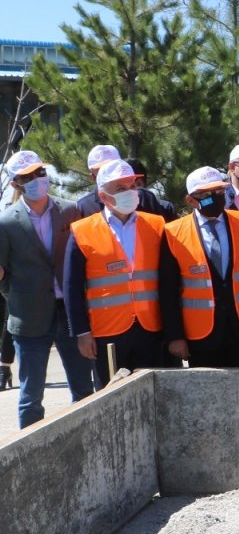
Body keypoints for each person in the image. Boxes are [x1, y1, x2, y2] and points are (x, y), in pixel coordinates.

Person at [0, 151, 95, 428]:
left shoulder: (70, 210)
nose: (37, 180)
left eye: (39, 172)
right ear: (16, 184)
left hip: (71, 313)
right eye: (27, 177)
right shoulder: (6, 222)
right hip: (29, 318)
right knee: (30, 397)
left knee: (84, 391)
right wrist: (18, 295)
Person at [159, 167, 239, 368]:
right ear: (190, 200)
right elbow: (168, 291)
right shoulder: (172, 233)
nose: (214, 198)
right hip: (201, 335)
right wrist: (175, 336)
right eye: (206, 195)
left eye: (219, 192)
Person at [65, 159, 167, 386]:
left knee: (153, 397)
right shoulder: (82, 231)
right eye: (120, 189)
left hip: (150, 328)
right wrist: (82, 333)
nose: (129, 193)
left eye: (132, 186)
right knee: (110, 402)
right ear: (103, 196)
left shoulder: (157, 225)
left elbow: (168, 280)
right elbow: (72, 287)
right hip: (107, 333)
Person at [76, 145, 174, 220]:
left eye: (114, 166)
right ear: (92, 177)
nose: (108, 171)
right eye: (101, 170)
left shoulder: (144, 198)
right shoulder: (84, 206)